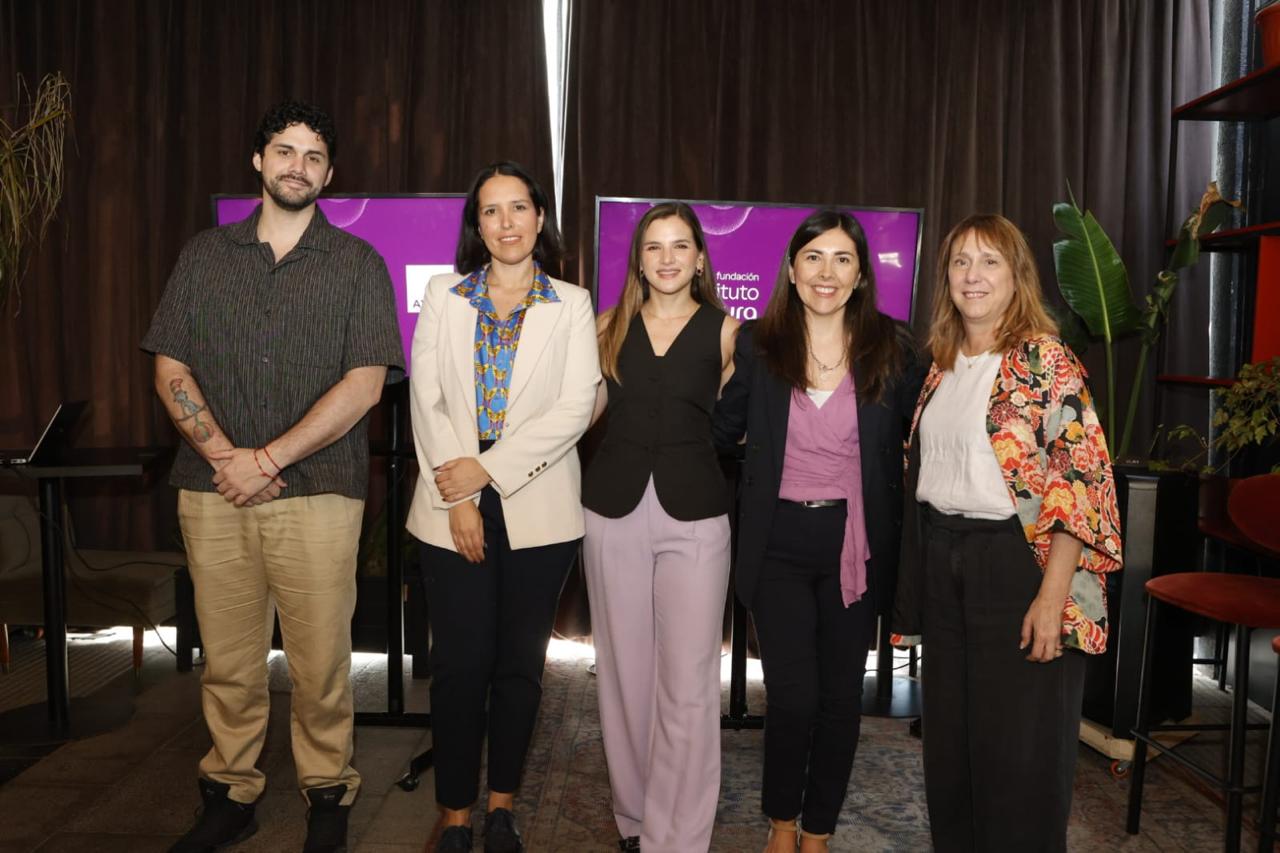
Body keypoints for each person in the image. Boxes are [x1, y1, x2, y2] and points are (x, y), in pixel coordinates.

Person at [141, 99, 404, 853]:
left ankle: (328, 794)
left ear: (329, 174)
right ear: (258, 161)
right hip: (211, 489)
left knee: (321, 665)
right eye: (285, 151)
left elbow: (364, 385)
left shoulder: (358, 265)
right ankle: (230, 794)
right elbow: (170, 367)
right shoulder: (203, 256)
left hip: (318, 493)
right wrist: (228, 457)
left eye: (314, 156)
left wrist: (266, 459)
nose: (298, 166)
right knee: (227, 662)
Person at [892, 214, 1123, 852]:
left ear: (1016, 275)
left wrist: (1052, 598)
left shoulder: (1045, 360)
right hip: (946, 563)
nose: (973, 275)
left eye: (990, 261)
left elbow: (1079, 483)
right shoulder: (941, 364)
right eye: (961, 261)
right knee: (953, 752)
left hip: (1020, 570)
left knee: (1020, 759)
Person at [712, 209, 923, 852]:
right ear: (792, 268)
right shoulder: (760, 343)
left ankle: (819, 831)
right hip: (777, 543)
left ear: (860, 275)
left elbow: (921, 438)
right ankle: (781, 824)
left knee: (839, 701)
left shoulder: (894, 347)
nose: (826, 272)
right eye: (813, 257)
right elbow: (724, 432)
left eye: (842, 259)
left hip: (854, 547)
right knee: (793, 698)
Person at [405, 161, 600, 852]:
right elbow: (425, 397)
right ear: (477, 225)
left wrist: (487, 469)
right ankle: (456, 813)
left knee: (519, 666)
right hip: (447, 502)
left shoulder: (571, 303)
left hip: (539, 506)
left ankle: (501, 809)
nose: (507, 222)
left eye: (519, 207)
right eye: (491, 210)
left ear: (540, 218)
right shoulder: (444, 294)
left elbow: (576, 407)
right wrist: (460, 492)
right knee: (459, 665)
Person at [583, 202, 738, 852]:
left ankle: (678, 837)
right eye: (654, 246)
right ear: (639, 260)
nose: (667, 258)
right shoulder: (607, 325)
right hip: (611, 510)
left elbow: (741, 423)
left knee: (689, 683)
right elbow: (580, 413)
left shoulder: (728, 333)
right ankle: (635, 818)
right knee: (624, 675)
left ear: (700, 258)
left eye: (680, 246)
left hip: (696, 517)